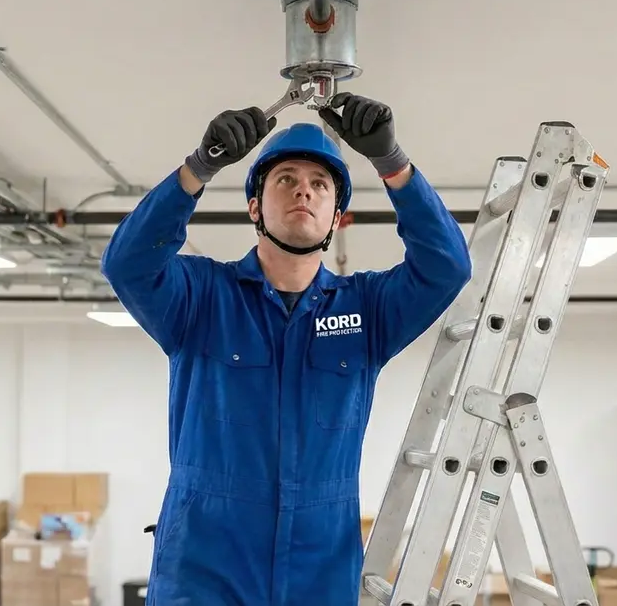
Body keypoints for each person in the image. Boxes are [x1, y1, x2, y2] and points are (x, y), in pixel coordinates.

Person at [100, 92, 473, 606]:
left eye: (321, 185)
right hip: (206, 564)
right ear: (255, 205)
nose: (305, 192)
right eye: (286, 180)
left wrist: (392, 164)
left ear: (336, 216)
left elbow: (447, 268)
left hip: (319, 565)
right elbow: (128, 264)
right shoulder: (201, 298)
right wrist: (198, 168)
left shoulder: (367, 310)